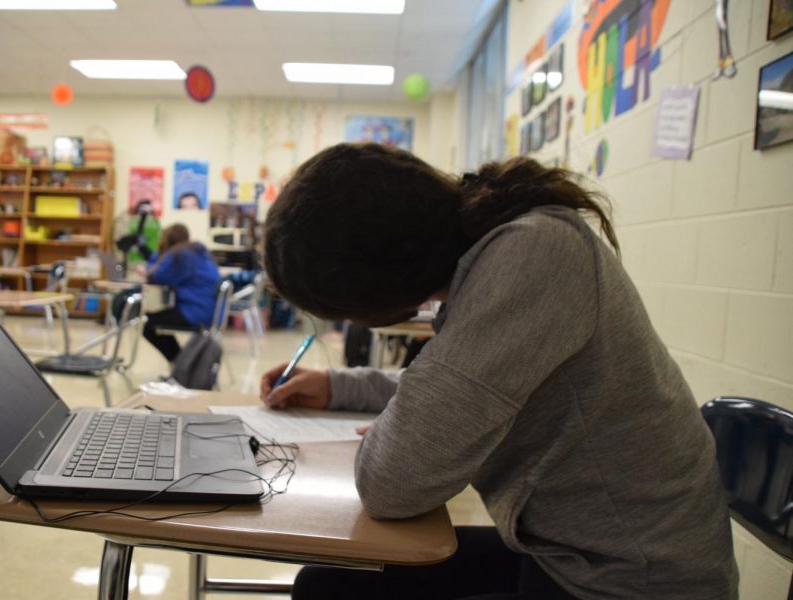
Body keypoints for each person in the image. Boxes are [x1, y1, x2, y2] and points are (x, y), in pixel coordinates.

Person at [258, 143, 738, 600]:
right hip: (568, 556)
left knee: (337, 588)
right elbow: (461, 386)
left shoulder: (533, 256)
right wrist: (338, 386)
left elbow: (392, 483)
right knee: (328, 585)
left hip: (632, 583)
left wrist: (398, 435)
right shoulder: (508, 252)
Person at [142, 223, 220, 364]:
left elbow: (156, 277)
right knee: (161, 317)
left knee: (147, 323)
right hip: (211, 311)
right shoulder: (197, 251)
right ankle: (181, 363)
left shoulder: (178, 254)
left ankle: (179, 364)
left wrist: (156, 257)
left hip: (195, 312)